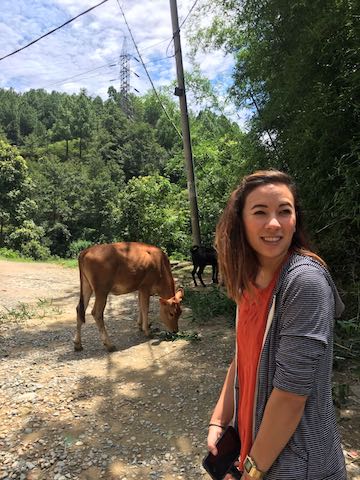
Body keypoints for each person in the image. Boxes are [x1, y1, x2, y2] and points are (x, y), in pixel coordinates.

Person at [207, 170, 347, 479]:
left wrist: (252, 472)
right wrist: (220, 419)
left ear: (296, 219)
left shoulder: (304, 282)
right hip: (256, 451)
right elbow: (242, 356)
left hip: (296, 465)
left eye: (284, 211)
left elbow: (290, 397)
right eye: (260, 212)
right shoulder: (249, 278)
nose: (274, 223)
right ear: (240, 221)